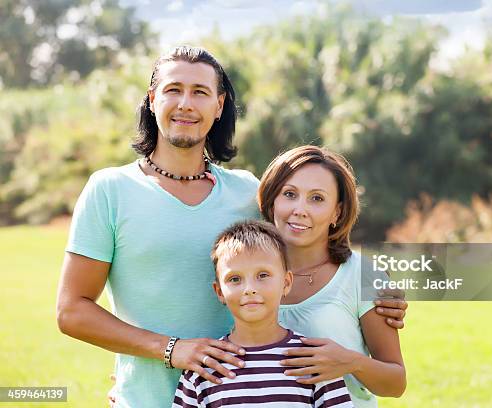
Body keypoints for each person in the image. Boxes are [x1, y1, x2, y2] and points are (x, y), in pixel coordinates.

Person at [56, 45, 406, 407]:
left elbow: (308, 249)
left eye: (200, 92)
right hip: (147, 399)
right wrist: (169, 350)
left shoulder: (248, 193)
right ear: (152, 99)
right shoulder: (109, 190)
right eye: (173, 90)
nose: (186, 104)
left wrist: (378, 290)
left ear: (219, 105)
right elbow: (72, 311)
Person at [258, 146, 407, 406]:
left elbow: (396, 383)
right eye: (290, 194)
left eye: (317, 199)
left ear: (336, 213)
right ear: (272, 202)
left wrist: (350, 361)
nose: (300, 209)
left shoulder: (365, 276)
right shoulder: (245, 276)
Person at [173, 220, 354, 407]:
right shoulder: (203, 369)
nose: (249, 289)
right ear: (219, 291)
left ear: (286, 282)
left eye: (263, 275)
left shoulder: (314, 361)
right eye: (235, 279)